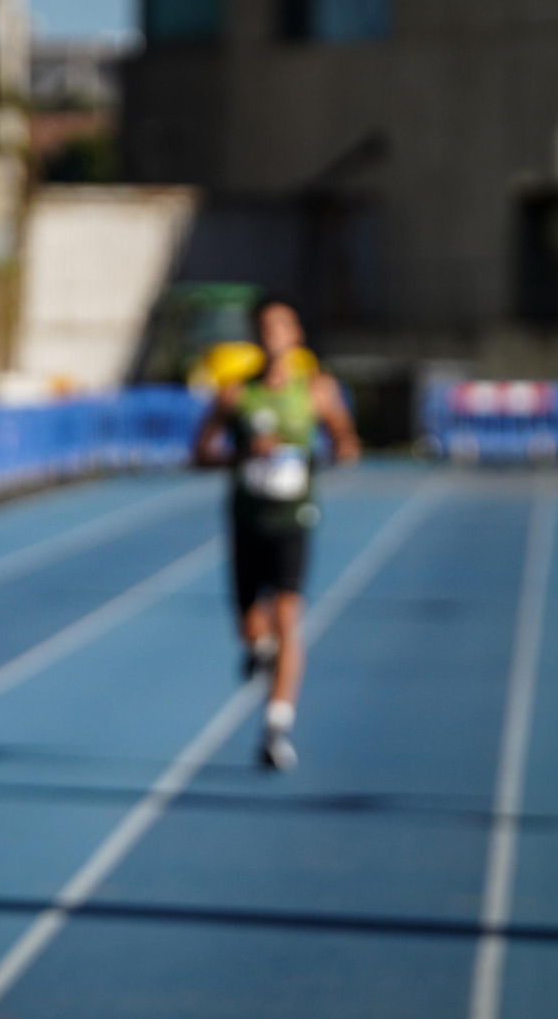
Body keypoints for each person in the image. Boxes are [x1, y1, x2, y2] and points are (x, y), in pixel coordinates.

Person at [194, 299, 360, 771]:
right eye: (264, 326)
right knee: (251, 626)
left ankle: (276, 726)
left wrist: (331, 451)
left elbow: (346, 440)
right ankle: (258, 650)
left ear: (296, 334)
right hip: (246, 520)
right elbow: (200, 452)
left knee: (288, 613)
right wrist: (244, 456)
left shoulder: (317, 390)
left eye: (281, 325)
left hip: (293, 519)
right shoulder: (234, 395)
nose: (273, 334)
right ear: (255, 334)